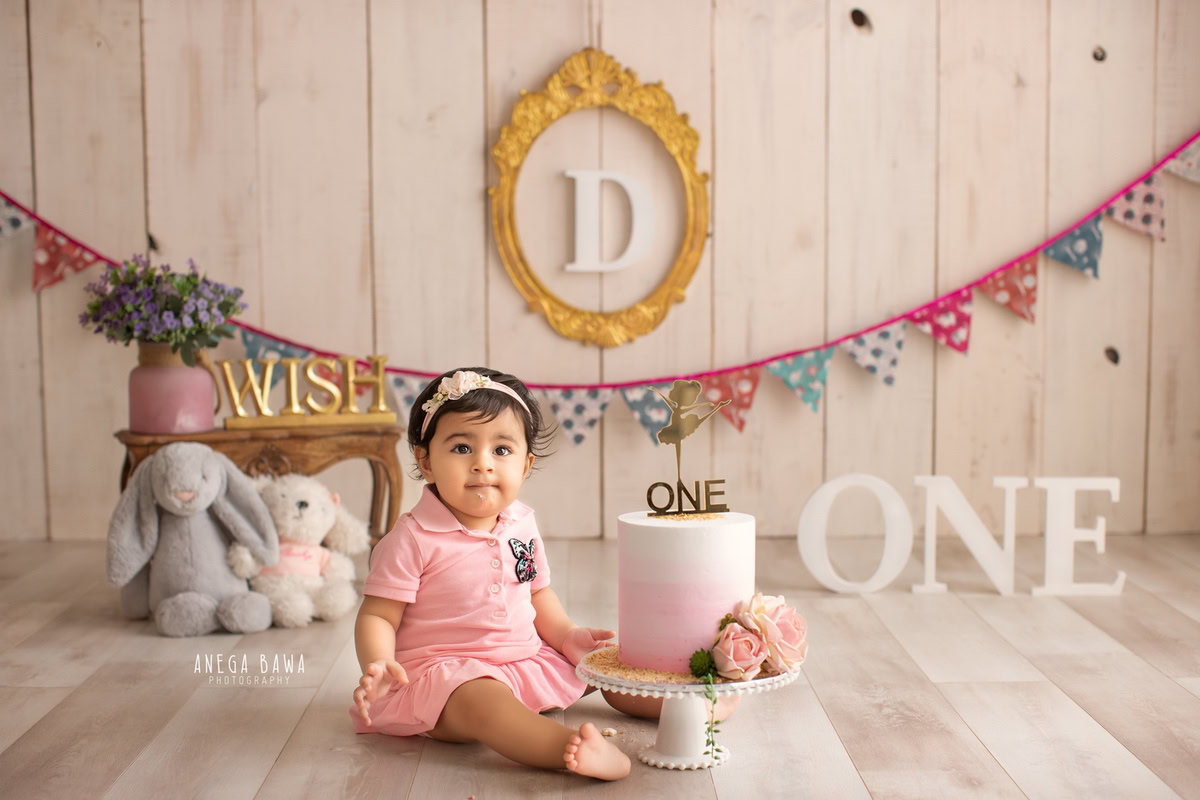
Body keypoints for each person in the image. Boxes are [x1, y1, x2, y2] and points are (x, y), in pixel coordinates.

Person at [349, 367, 631, 781]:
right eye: (462, 448)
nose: (482, 464)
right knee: (484, 702)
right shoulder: (412, 537)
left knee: (609, 663)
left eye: (501, 450)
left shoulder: (521, 523)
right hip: (444, 680)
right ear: (426, 461)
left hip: (523, 661)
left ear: (526, 464)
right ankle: (566, 749)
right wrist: (379, 663)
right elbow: (378, 615)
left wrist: (568, 636)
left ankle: (681, 704)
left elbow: (537, 593)